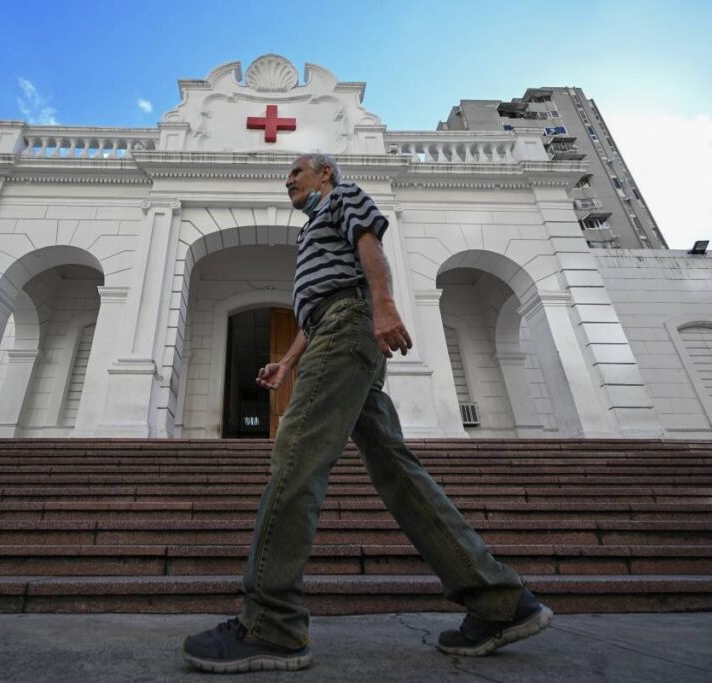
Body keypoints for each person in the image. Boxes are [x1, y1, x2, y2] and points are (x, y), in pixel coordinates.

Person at [182, 153, 552, 674]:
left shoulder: (344, 197)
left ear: (325, 173)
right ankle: (500, 602)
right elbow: (316, 308)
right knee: (396, 470)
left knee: (296, 459)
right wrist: (287, 362)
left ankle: (271, 625)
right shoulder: (315, 228)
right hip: (337, 326)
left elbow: (369, 249)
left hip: (350, 324)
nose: (287, 179)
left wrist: (383, 306)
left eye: (296, 171)